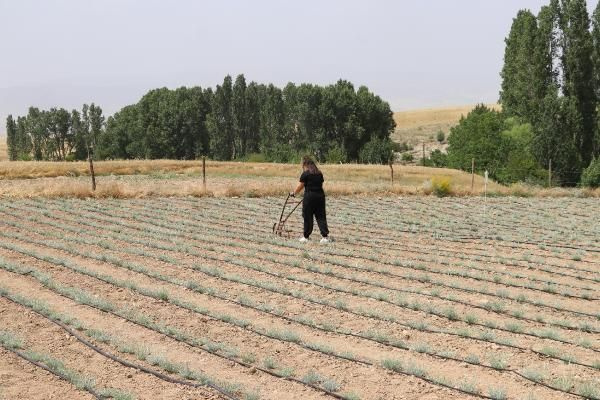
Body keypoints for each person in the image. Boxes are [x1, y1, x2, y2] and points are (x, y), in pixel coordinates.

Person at [290, 156, 330, 243]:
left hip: (309, 197)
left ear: (305, 164)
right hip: (320, 196)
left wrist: (294, 193)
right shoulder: (319, 173)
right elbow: (320, 185)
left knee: (307, 216)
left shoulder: (306, 174)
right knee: (321, 216)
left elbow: (300, 186)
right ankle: (325, 237)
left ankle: (306, 236)